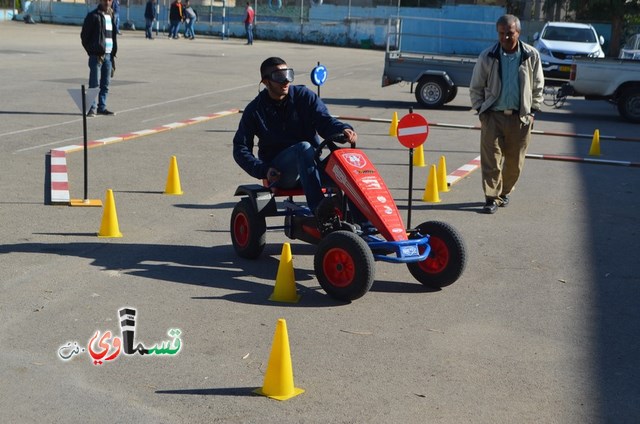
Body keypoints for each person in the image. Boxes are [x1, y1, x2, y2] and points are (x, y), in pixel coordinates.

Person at [233, 57, 358, 227]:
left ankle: (366, 227)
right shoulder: (255, 110)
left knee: (349, 161)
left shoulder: (304, 96)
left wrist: (342, 130)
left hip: (312, 168)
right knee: (303, 148)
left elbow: (325, 121)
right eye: (279, 76)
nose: (286, 81)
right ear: (266, 82)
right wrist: (263, 170)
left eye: (288, 74)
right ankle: (319, 210)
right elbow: (240, 148)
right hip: (282, 173)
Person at [469, 14, 544, 214]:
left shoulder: (531, 55)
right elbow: (476, 86)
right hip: (493, 116)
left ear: (518, 33)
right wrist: (481, 111)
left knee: (514, 163)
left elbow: (538, 85)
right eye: (501, 33)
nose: (505, 38)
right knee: (491, 160)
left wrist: (532, 110)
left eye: (509, 33)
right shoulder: (488, 56)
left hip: (520, 118)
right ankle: (491, 198)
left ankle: (504, 193)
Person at [81, 0, 118, 117]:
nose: (107, 2)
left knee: (105, 83)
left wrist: (112, 54)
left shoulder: (111, 16)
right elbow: (84, 36)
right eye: (105, 0)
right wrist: (92, 51)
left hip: (108, 55)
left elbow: (112, 36)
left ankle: (102, 107)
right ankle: (92, 109)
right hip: (96, 56)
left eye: (110, 0)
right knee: (94, 83)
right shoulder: (93, 16)